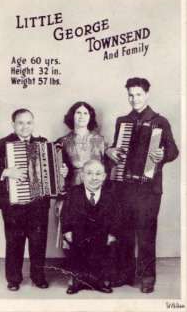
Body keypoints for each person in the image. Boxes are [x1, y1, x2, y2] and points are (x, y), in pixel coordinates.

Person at [106, 77, 179, 293]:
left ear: (146, 94)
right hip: (124, 186)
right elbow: (116, 150)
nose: (134, 98)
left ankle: (148, 278)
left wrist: (162, 154)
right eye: (130, 94)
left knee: (146, 234)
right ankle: (125, 275)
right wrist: (110, 151)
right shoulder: (123, 121)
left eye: (138, 94)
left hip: (148, 188)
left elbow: (173, 151)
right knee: (124, 233)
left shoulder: (160, 121)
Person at [0, 108, 67, 291]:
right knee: (14, 242)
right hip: (13, 205)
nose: (25, 127)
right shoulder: (4, 144)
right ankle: (13, 279)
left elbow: (55, 170)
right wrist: (6, 172)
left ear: (33, 124)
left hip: (38, 204)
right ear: (13, 124)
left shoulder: (42, 143)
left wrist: (62, 171)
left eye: (29, 122)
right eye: (20, 122)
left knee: (38, 242)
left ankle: (38, 277)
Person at [61, 159, 122, 294]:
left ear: (104, 176)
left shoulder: (110, 194)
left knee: (104, 250)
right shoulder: (73, 192)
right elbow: (65, 214)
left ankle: (99, 281)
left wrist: (112, 234)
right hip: (79, 234)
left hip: (102, 234)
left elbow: (117, 216)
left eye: (98, 174)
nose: (94, 177)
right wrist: (67, 231)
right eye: (89, 173)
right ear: (82, 176)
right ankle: (77, 281)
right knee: (76, 250)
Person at [54, 101, 105, 248]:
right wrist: (62, 172)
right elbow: (57, 169)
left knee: (96, 224)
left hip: (96, 187)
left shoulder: (100, 140)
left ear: (90, 117)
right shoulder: (62, 142)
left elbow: (106, 166)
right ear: (72, 116)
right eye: (78, 112)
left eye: (85, 113)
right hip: (72, 187)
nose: (82, 116)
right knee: (73, 226)